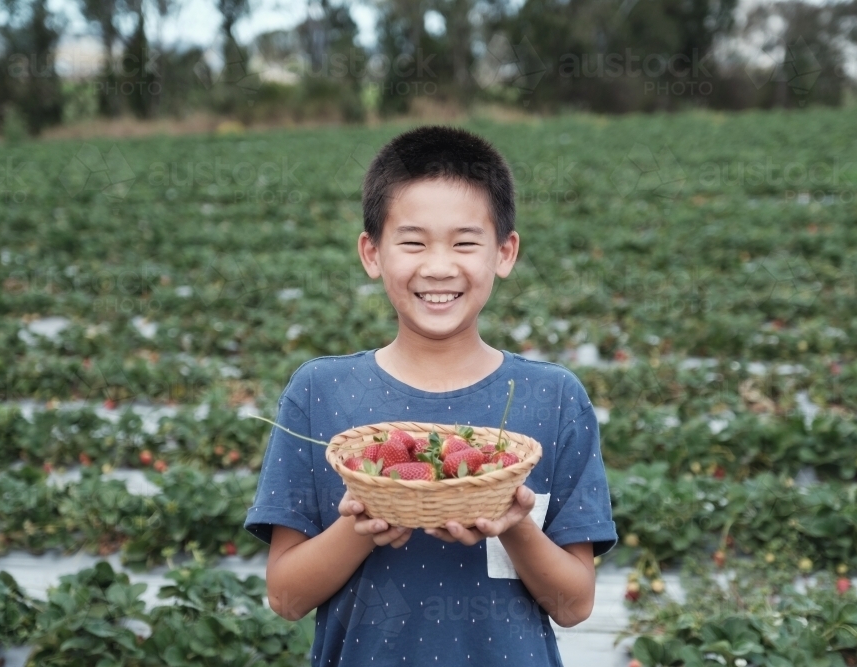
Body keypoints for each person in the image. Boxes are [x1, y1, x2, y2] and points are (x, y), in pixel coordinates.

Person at [244, 124, 617, 666]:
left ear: (504, 252)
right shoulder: (320, 393)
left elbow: (575, 603)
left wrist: (513, 525)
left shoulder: (552, 398)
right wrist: (360, 525)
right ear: (372, 253)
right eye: (413, 242)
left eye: (465, 242)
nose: (439, 267)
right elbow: (285, 596)